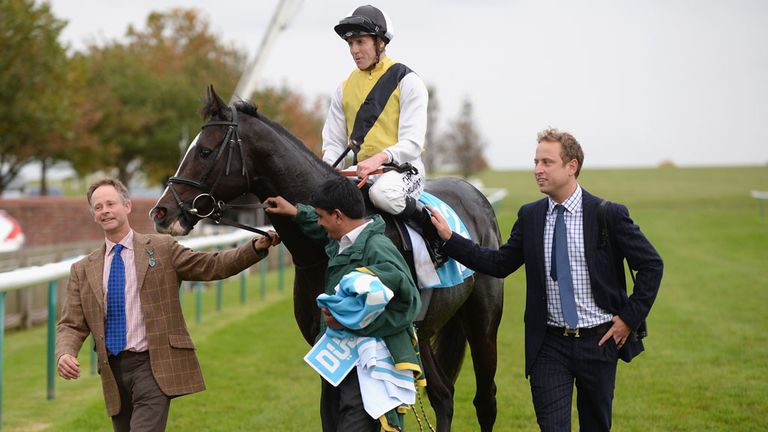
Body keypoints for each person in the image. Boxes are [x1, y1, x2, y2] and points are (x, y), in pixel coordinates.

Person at [428, 129, 664, 431]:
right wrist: (450, 239)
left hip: (599, 342)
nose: (538, 169)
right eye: (536, 161)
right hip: (548, 346)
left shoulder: (608, 214)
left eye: (547, 162)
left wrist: (628, 320)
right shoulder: (530, 217)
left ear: (572, 166)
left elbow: (652, 265)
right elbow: (498, 264)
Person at [56, 178, 280, 432]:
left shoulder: (162, 248)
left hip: (153, 366)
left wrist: (254, 248)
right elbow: (71, 324)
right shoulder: (83, 269)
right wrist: (65, 353)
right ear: (93, 216)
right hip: (113, 372)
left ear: (127, 206)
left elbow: (213, 265)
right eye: (98, 207)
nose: (105, 210)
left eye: (110, 203)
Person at [264, 176, 423, 431]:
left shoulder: (378, 248)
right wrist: (295, 211)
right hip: (342, 365)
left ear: (338, 216)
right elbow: (319, 229)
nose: (318, 223)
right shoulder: (343, 239)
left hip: (368, 370)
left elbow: (410, 304)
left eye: (320, 216)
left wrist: (351, 322)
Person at [322, 4, 445, 265]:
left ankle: (432, 232)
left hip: (402, 172)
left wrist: (379, 159)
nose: (354, 50)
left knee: (382, 195)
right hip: (361, 173)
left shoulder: (408, 81)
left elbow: (412, 142)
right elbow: (333, 142)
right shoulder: (343, 88)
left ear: (380, 43)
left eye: (360, 42)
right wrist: (326, 172)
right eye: (350, 43)